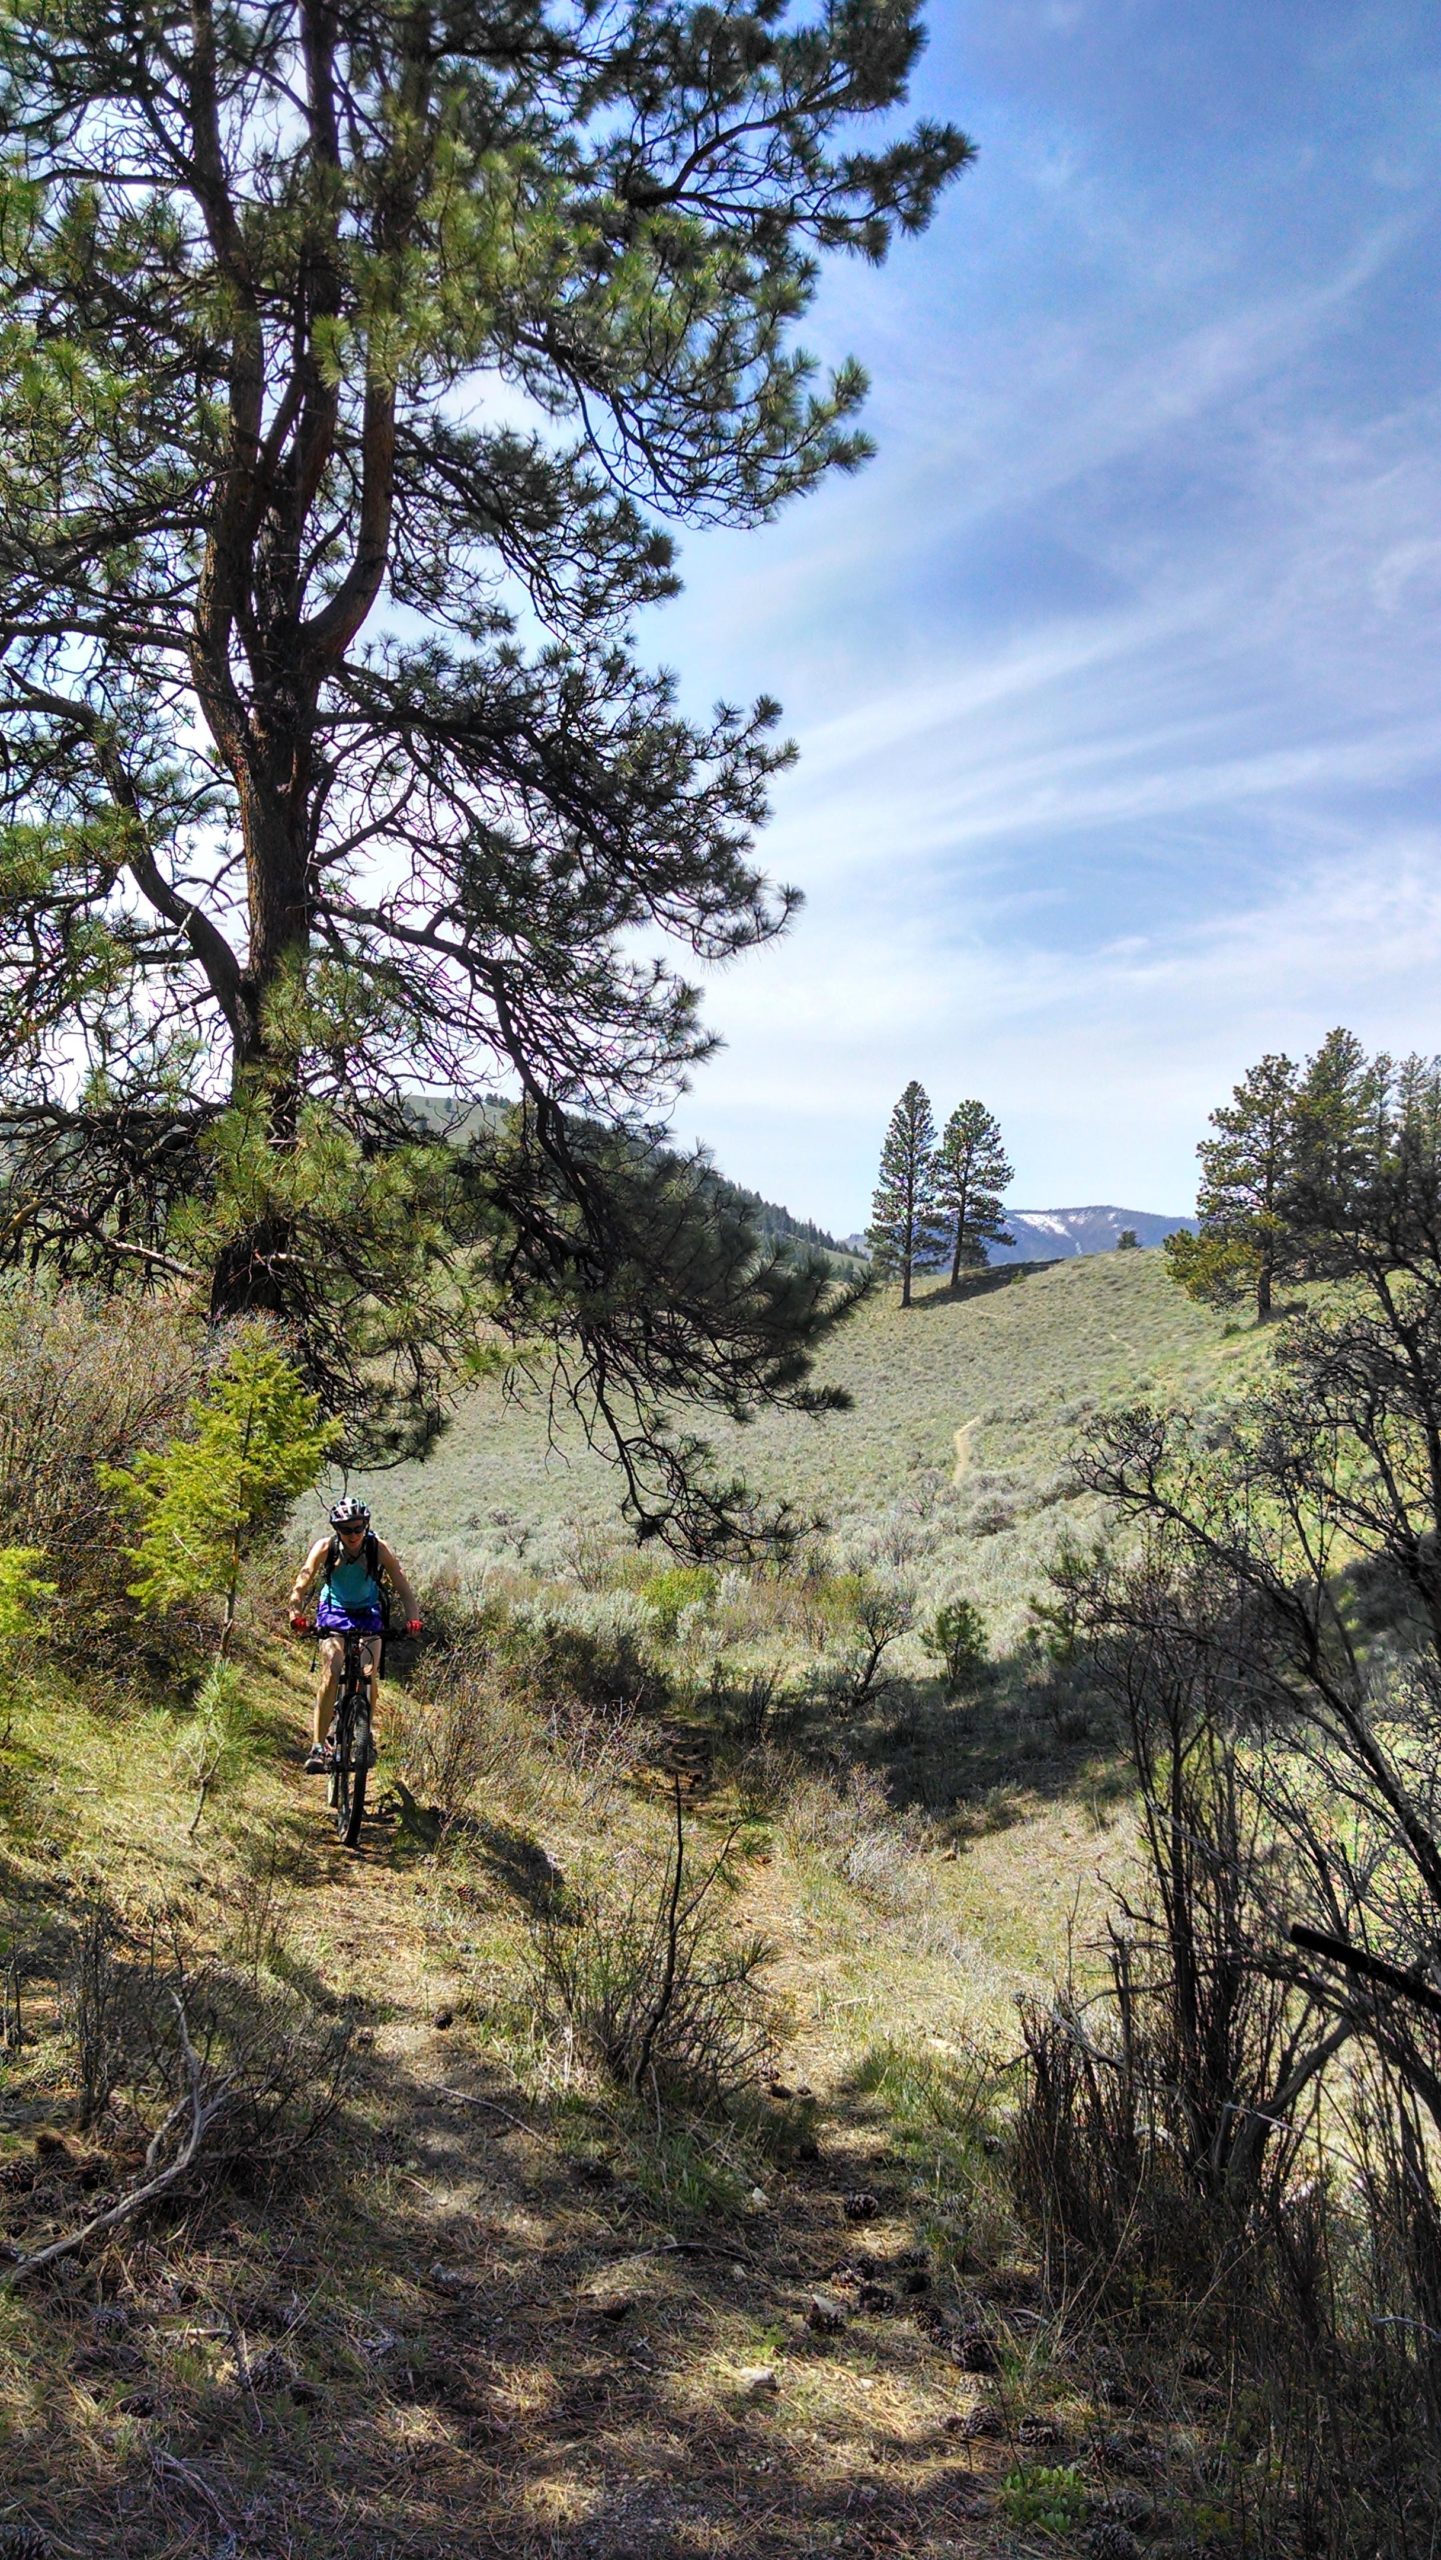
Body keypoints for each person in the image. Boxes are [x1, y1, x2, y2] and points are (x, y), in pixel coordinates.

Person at [287, 1497, 422, 1774]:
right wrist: (295, 1614)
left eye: (358, 1528)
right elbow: (303, 1581)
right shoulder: (326, 1547)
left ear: (365, 1525)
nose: (353, 1535)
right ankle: (318, 1746)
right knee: (332, 1669)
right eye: (346, 1529)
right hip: (334, 1610)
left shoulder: (377, 1548)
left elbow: (403, 1586)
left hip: (368, 1612)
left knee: (368, 1672)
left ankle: (365, 1737)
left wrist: (414, 1619)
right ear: (337, 1529)